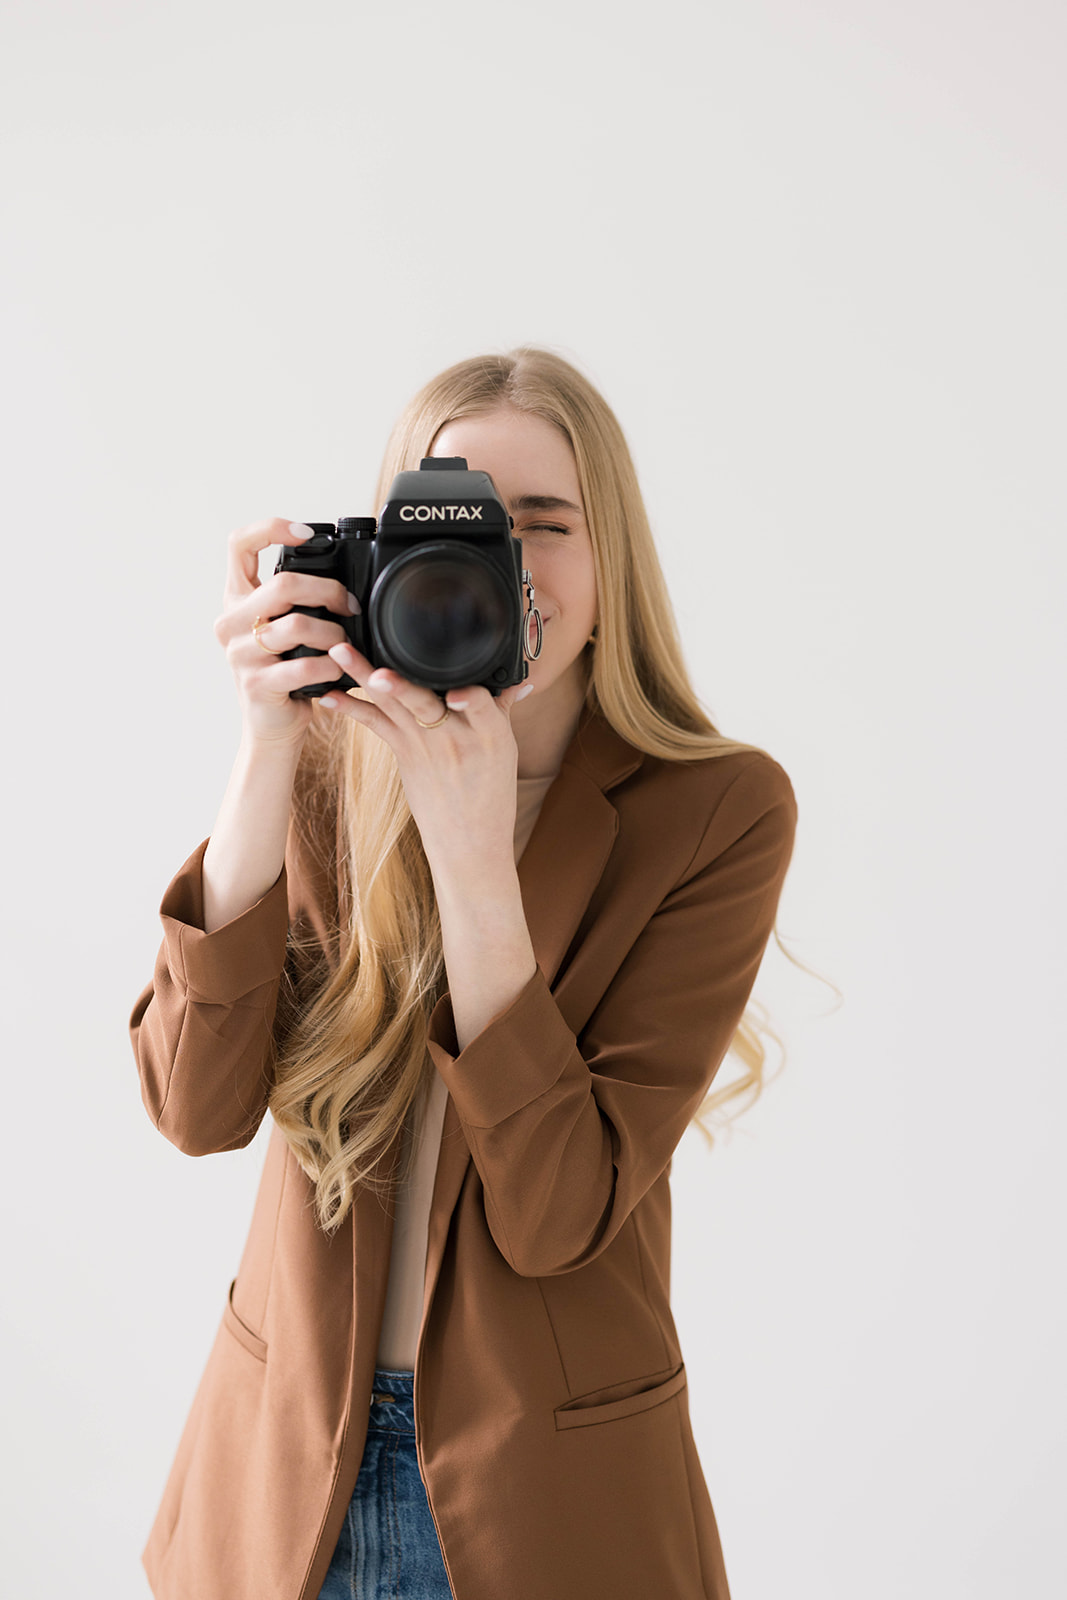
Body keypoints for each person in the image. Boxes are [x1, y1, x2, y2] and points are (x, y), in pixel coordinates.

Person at [130, 346, 798, 1600]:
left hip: (547, 1510)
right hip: (284, 1488)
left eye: (539, 525)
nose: (499, 565)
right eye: (446, 527)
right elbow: (190, 1106)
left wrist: (475, 867)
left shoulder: (714, 811)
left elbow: (558, 1215)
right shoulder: (331, 774)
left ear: (611, 559)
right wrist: (267, 748)